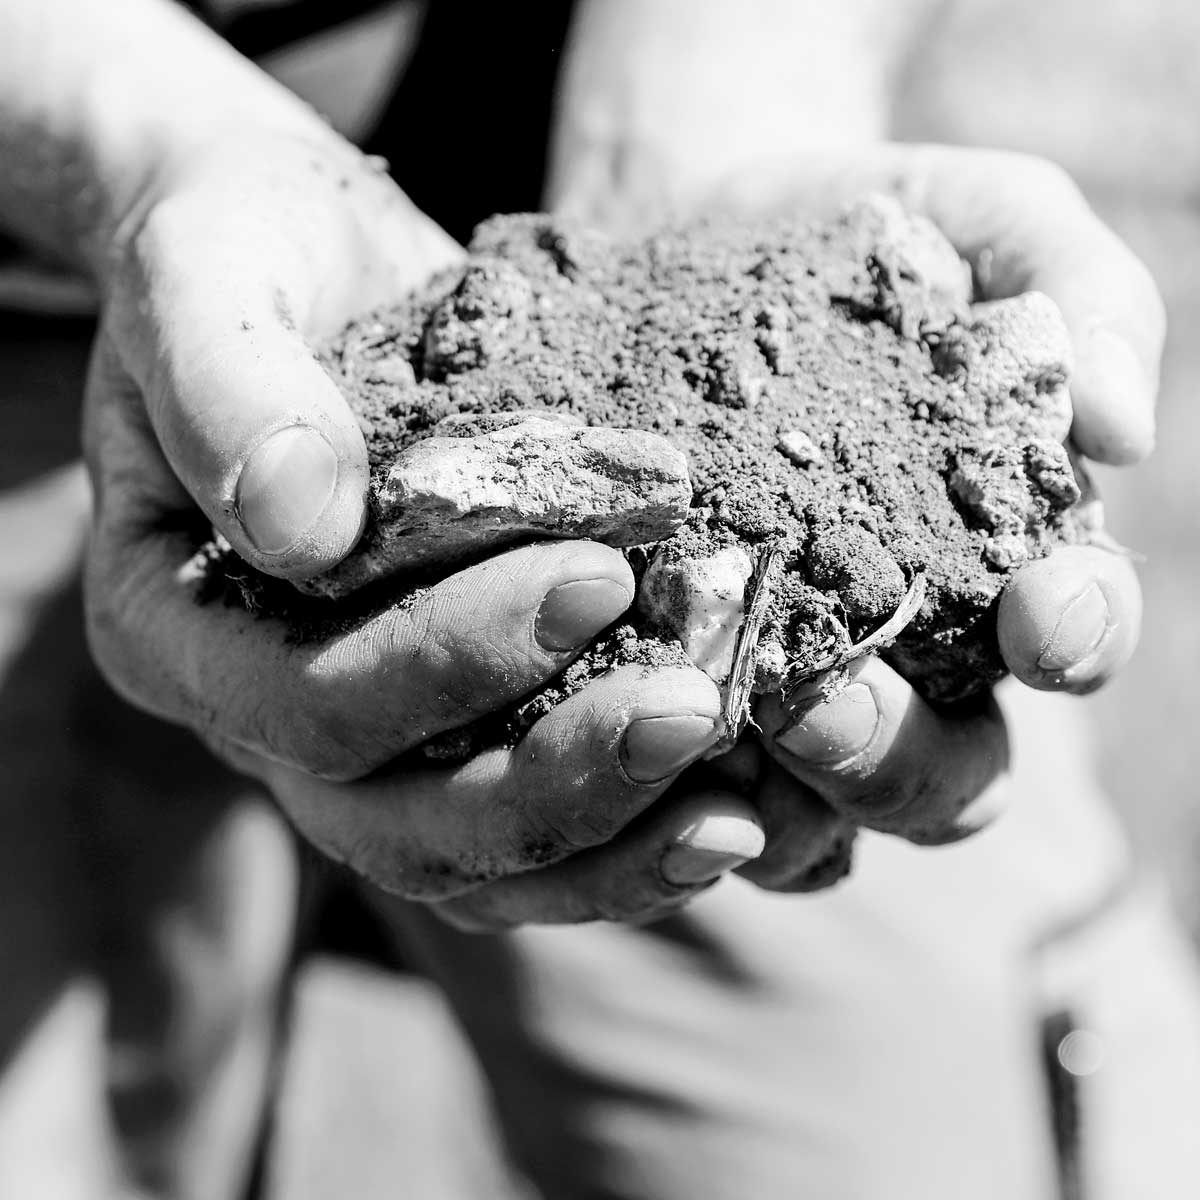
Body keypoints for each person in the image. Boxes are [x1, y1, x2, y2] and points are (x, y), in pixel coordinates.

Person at [1, 1, 1197, 1196]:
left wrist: (734, 73)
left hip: (626, 167)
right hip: (71, 284)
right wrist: (138, 140)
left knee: (924, 1131)